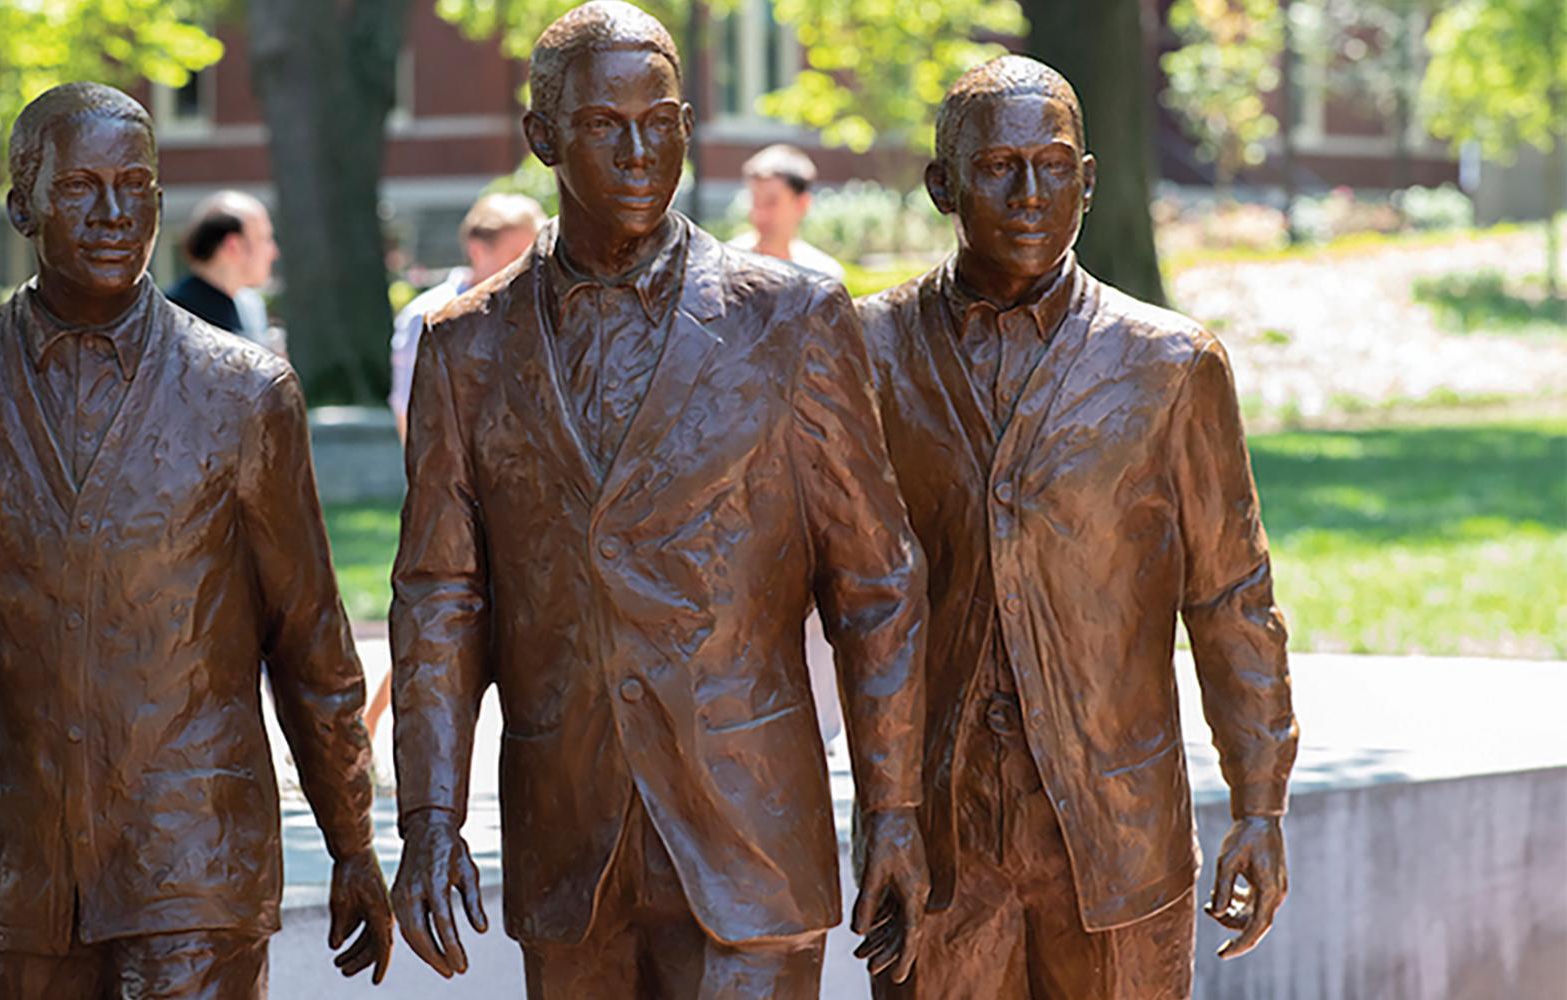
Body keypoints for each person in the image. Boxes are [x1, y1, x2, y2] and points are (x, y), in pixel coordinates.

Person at [386, 4, 930, 997]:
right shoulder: (465, 348)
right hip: (568, 836)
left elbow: (875, 583)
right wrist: (429, 815)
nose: (640, 153)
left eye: (661, 123)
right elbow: (439, 600)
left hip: (751, 832)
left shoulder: (792, 320)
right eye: (605, 125)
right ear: (542, 137)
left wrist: (892, 809)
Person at [0, 82, 391, 999]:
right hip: (31, 873)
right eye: (79, 187)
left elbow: (309, 638)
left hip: (199, 864)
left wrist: (353, 842)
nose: (112, 213)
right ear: (22, 206)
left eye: (135, 187)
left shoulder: (244, 393)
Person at [856, 56, 1297, 998]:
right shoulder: (868, 353)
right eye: (997, 168)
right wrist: (882, 811)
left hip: (1118, 834)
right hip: (940, 841)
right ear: (942, 185)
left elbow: (1232, 598)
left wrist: (1259, 802)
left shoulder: (1168, 366)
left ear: (1088, 183)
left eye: (1054, 167)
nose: (1029, 195)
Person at [388, 192, 546, 441]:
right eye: (517, 257)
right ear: (477, 250)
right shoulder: (429, 315)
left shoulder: (540, 313)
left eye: (534, 258)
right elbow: (410, 412)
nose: (529, 269)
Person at [165, 190, 283, 355]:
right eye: (264, 239)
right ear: (233, 246)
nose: (274, 252)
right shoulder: (174, 317)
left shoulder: (251, 307)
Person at [728, 143, 845, 281]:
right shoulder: (728, 265)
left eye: (771, 202)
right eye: (755, 200)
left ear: (802, 204)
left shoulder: (822, 276)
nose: (760, 213)